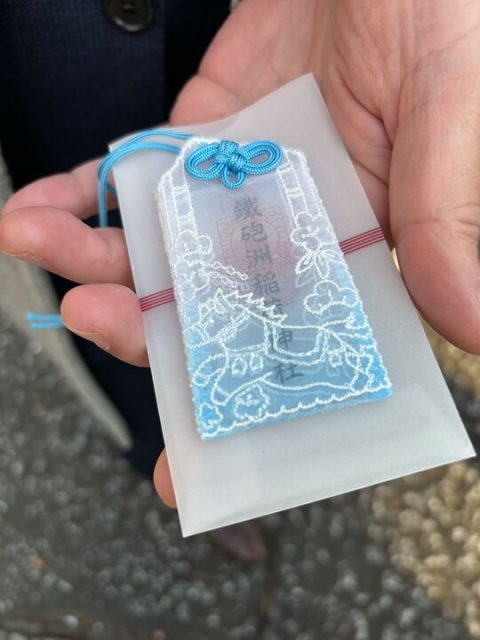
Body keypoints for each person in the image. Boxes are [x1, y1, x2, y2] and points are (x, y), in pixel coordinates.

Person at [1, 0, 479, 557]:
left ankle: (228, 468)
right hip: (47, 59)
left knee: (141, 310)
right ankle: (169, 454)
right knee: (128, 324)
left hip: (235, 30)